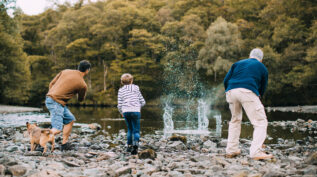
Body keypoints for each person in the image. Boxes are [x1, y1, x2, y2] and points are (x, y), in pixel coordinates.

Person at [223, 48, 273, 160]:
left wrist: (229, 91)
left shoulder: (238, 63)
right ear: (261, 59)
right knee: (260, 121)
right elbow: (262, 87)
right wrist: (258, 96)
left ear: (250, 55)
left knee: (235, 120)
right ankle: (256, 152)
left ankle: (231, 150)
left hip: (231, 91)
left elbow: (226, 80)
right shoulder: (262, 67)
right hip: (247, 91)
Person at [45, 60, 91, 151]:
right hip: (56, 102)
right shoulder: (82, 84)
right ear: (87, 70)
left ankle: (64, 144)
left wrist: (52, 94)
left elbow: (51, 84)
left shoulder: (65, 71)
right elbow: (81, 100)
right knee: (57, 129)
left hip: (53, 99)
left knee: (70, 120)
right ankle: (40, 139)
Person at [117, 73, 146, 155]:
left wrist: (122, 112)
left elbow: (119, 104)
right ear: (132, 81)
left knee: (130, 129)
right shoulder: (136, 88)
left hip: (125, 111)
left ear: (122, 82)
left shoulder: (121, 90)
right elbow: (143, 101)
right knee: (136, 130)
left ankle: (129, 146)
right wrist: (138, 107)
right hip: (136, 111)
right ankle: (136, 145)